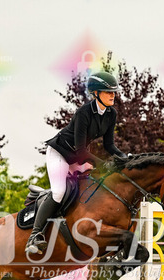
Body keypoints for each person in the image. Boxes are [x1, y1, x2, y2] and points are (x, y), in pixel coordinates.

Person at [26, 72, 127, 254]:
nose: (113, 95)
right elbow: (81, 150)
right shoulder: (84, 113)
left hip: (76, 157)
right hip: (59, 153)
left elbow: (109, 145)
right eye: (108, 92)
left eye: (114, 92)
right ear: (96, 93)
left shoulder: (111, 114)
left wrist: (124, 158)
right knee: (59, 192)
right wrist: (103, 164)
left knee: (89, 188)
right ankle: (35, 235)